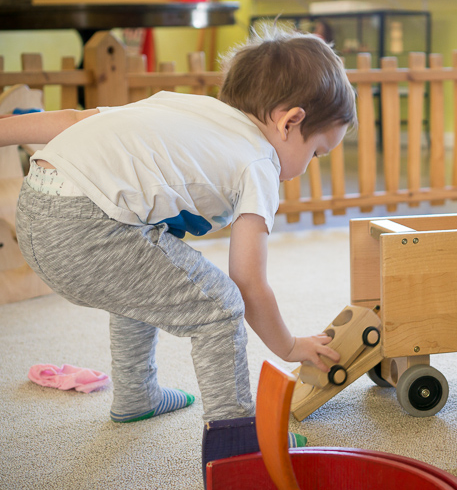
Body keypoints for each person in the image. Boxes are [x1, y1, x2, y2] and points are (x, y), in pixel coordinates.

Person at [1, 25, 356, 423]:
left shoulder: (187, 107)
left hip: (34, 206)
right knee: (219, 308)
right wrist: (289, 346)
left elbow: (75, 119)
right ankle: (235, 440)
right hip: (83, 227)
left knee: (146, 268)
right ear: (290, 122)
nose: (309, 167)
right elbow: (249, 281)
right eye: (317, 153)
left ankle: (138, 395)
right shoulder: (258, 162)